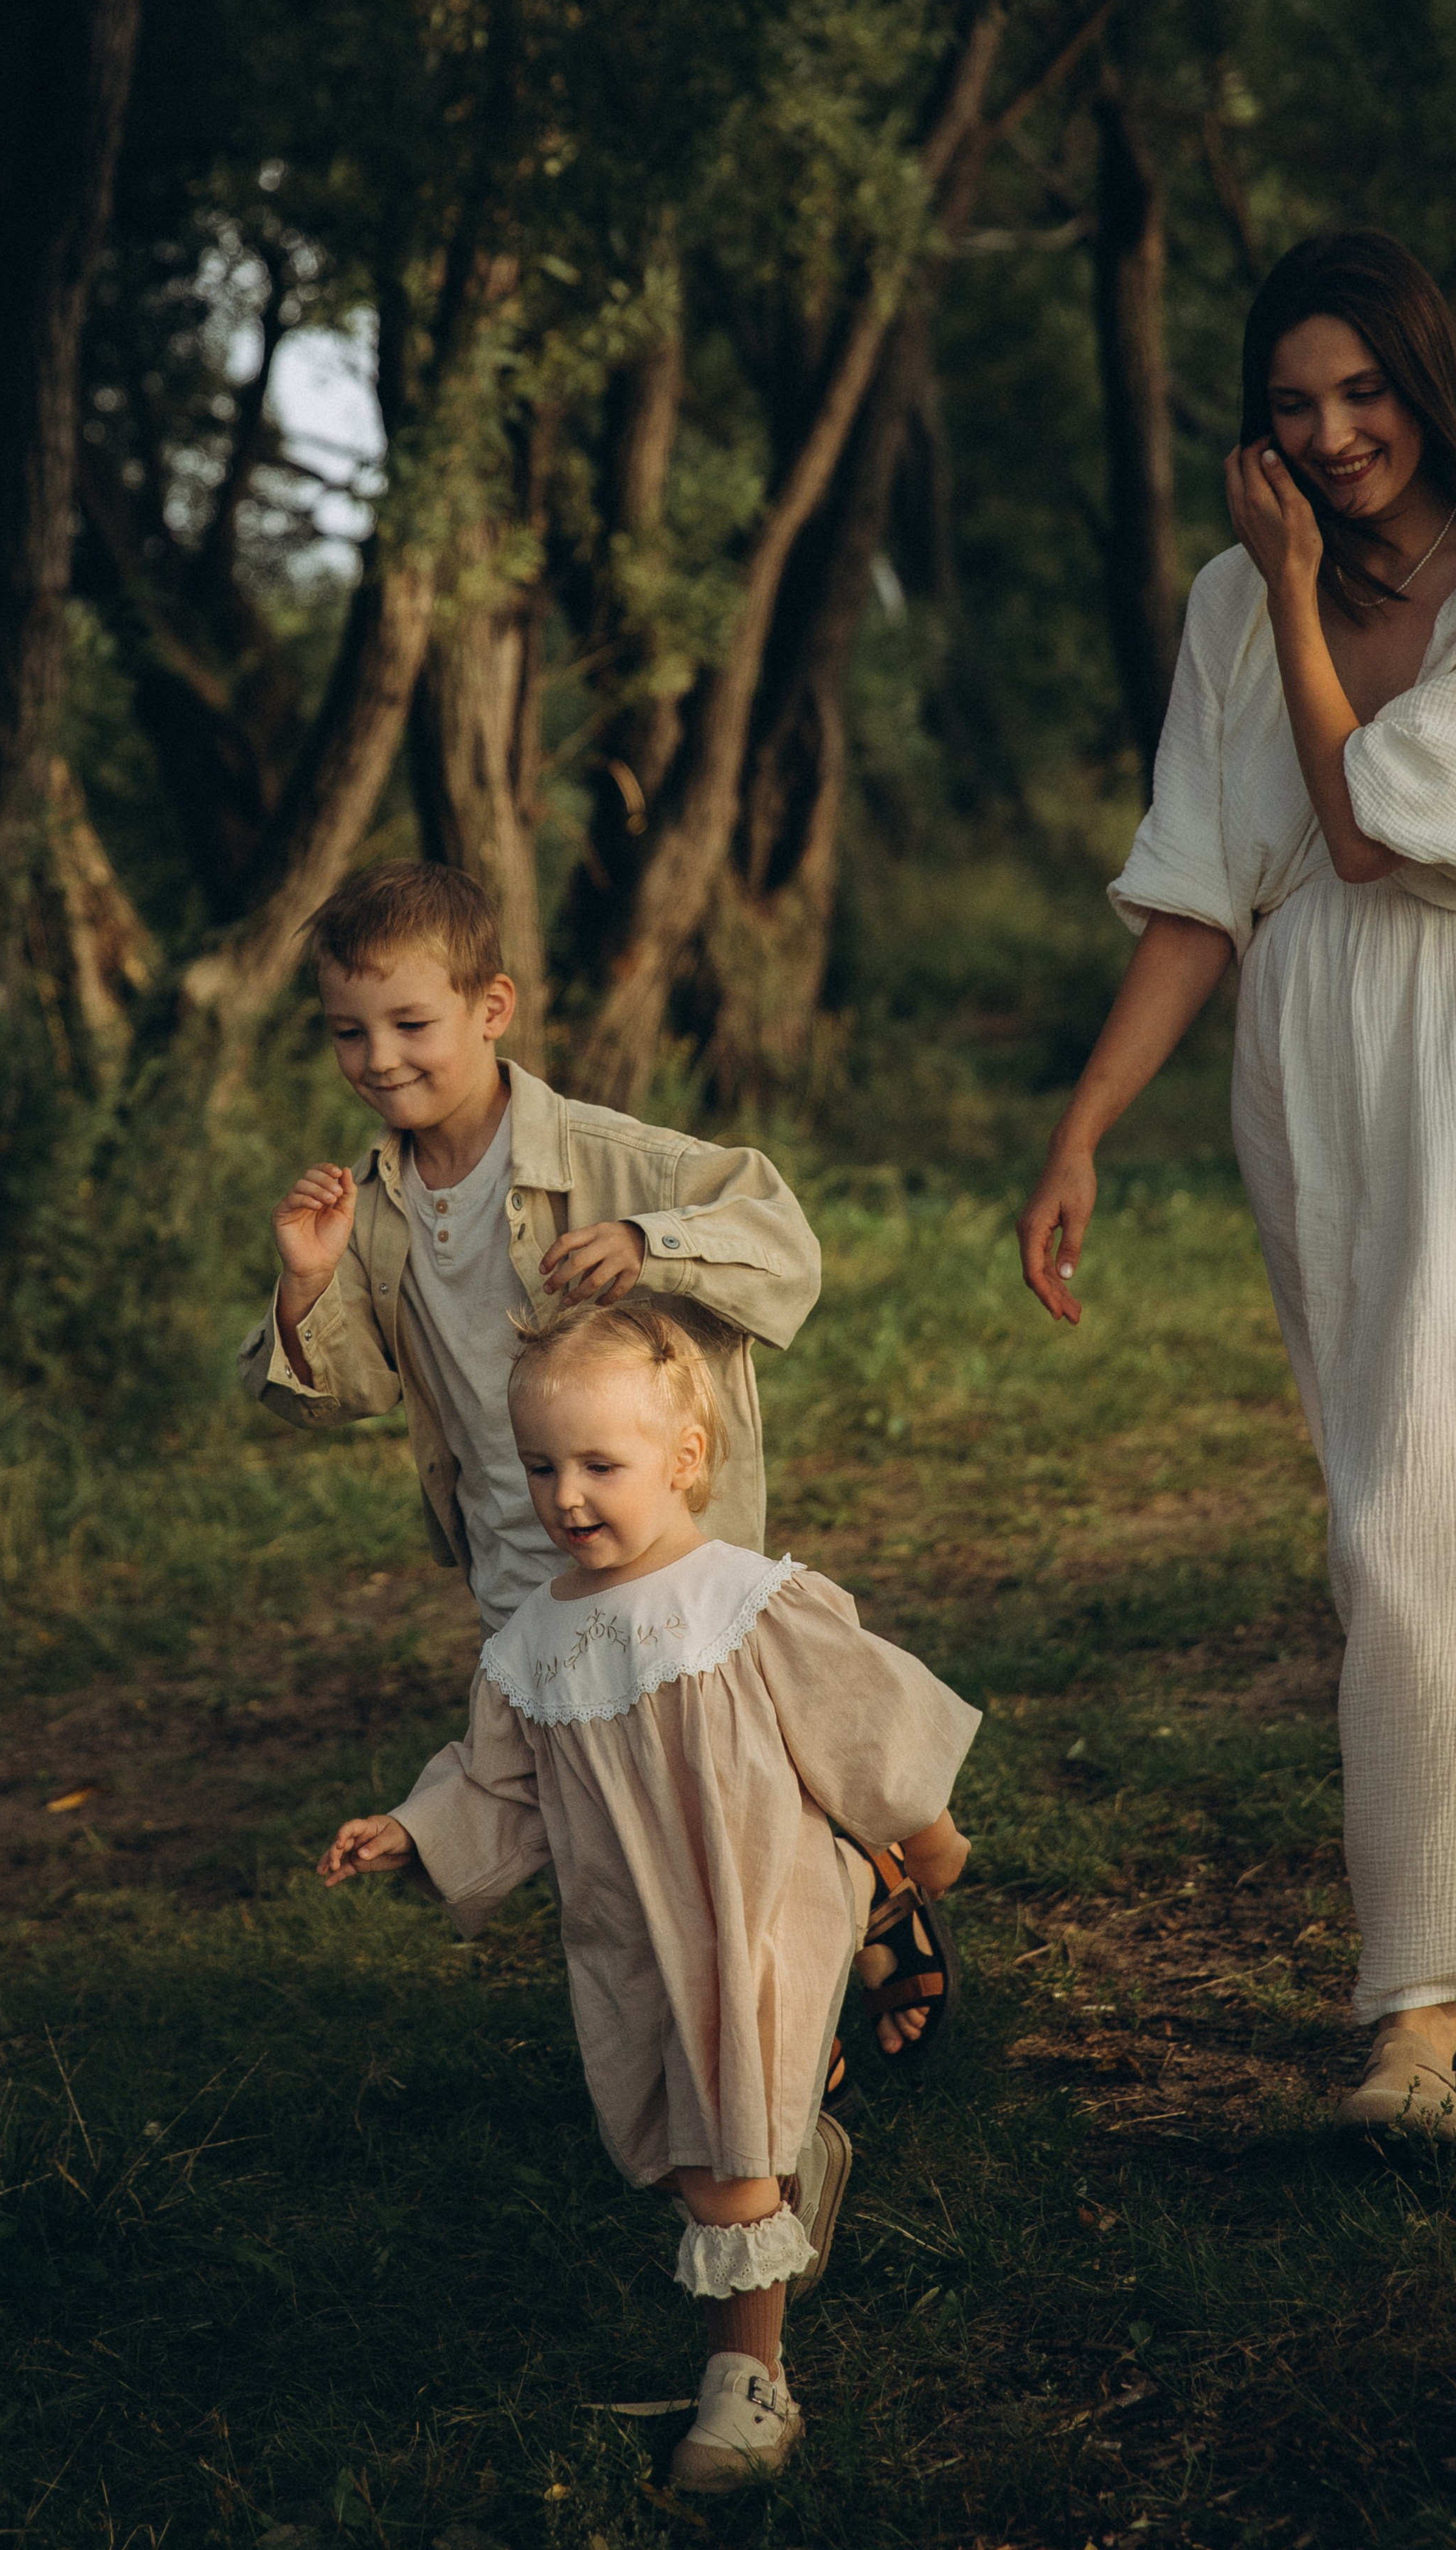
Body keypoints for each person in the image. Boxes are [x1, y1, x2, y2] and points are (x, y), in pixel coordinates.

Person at [1016, 229, 1456, 2149]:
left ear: (1426, 382)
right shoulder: (1227, 598)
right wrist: (1085, 1125)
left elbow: (1364, 830)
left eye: (1362, 392)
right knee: (1407, 1505)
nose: (1334, 431)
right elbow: (1212, 878)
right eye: (1294, 403)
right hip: (1322, 1068)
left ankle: (1423, 2020)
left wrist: (1287, 587)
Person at [239, 860, 945, 2073]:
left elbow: (784, 1245)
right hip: (521, 1560)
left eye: (414, 1022)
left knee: (713, 1794)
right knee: (611, 1816)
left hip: (667, 1551)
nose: (381, 1057)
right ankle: (787, 1972)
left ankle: (783, 2010)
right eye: (350, 1031)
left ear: (491, 1007)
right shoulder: (371, 1206)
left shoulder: (612, 1158)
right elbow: (337, 1392)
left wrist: (649, 1240)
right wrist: (307, 1283)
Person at [317, 1300, 978, 2489]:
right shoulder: (534, 1645)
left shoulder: (740, 1598)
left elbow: (858, 1715)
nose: (566, 1495)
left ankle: (749, 2386)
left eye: (599, 1464)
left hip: (752, 1905)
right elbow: (496, 1784)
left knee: (722, 2161)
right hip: (629, 1934)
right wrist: (412, 1834)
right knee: (674, 2137)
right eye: (539, 1467)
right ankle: (795, 2164)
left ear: (684, 1460)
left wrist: (927, 1834)